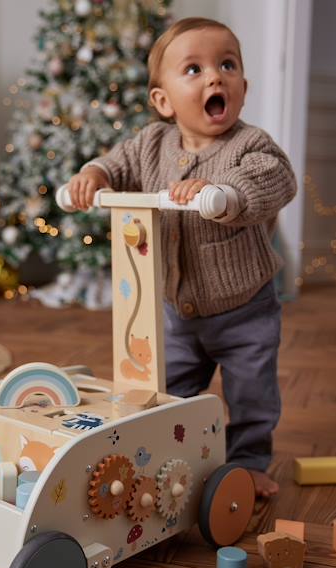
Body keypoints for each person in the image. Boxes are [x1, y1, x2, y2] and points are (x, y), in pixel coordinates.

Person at [66, 17, 297, 497]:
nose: (215, 77)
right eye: (194, 69)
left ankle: (251, 459)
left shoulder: (249, 145)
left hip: (244, 308)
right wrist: (93, 174)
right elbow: (117, 164)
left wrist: (226, 195)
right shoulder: (151, 143)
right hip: (174, 309)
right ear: (163, 101)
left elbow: (276, 179)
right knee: (172, 392)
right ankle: (183, 458)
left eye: (227, 65)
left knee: (252, 392)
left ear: (243, 87)